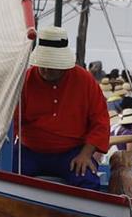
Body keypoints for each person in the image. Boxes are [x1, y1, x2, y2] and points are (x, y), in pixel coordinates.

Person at [17, 27, 110, 185]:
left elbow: (100, 121)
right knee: (1, 174)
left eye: (52, 66)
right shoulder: (25, 79)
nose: (46, 70)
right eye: (43, 64)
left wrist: (86, 154)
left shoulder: (84, 80)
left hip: (72, 152)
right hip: (29, 151)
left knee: (87, 181)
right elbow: (10, 120)